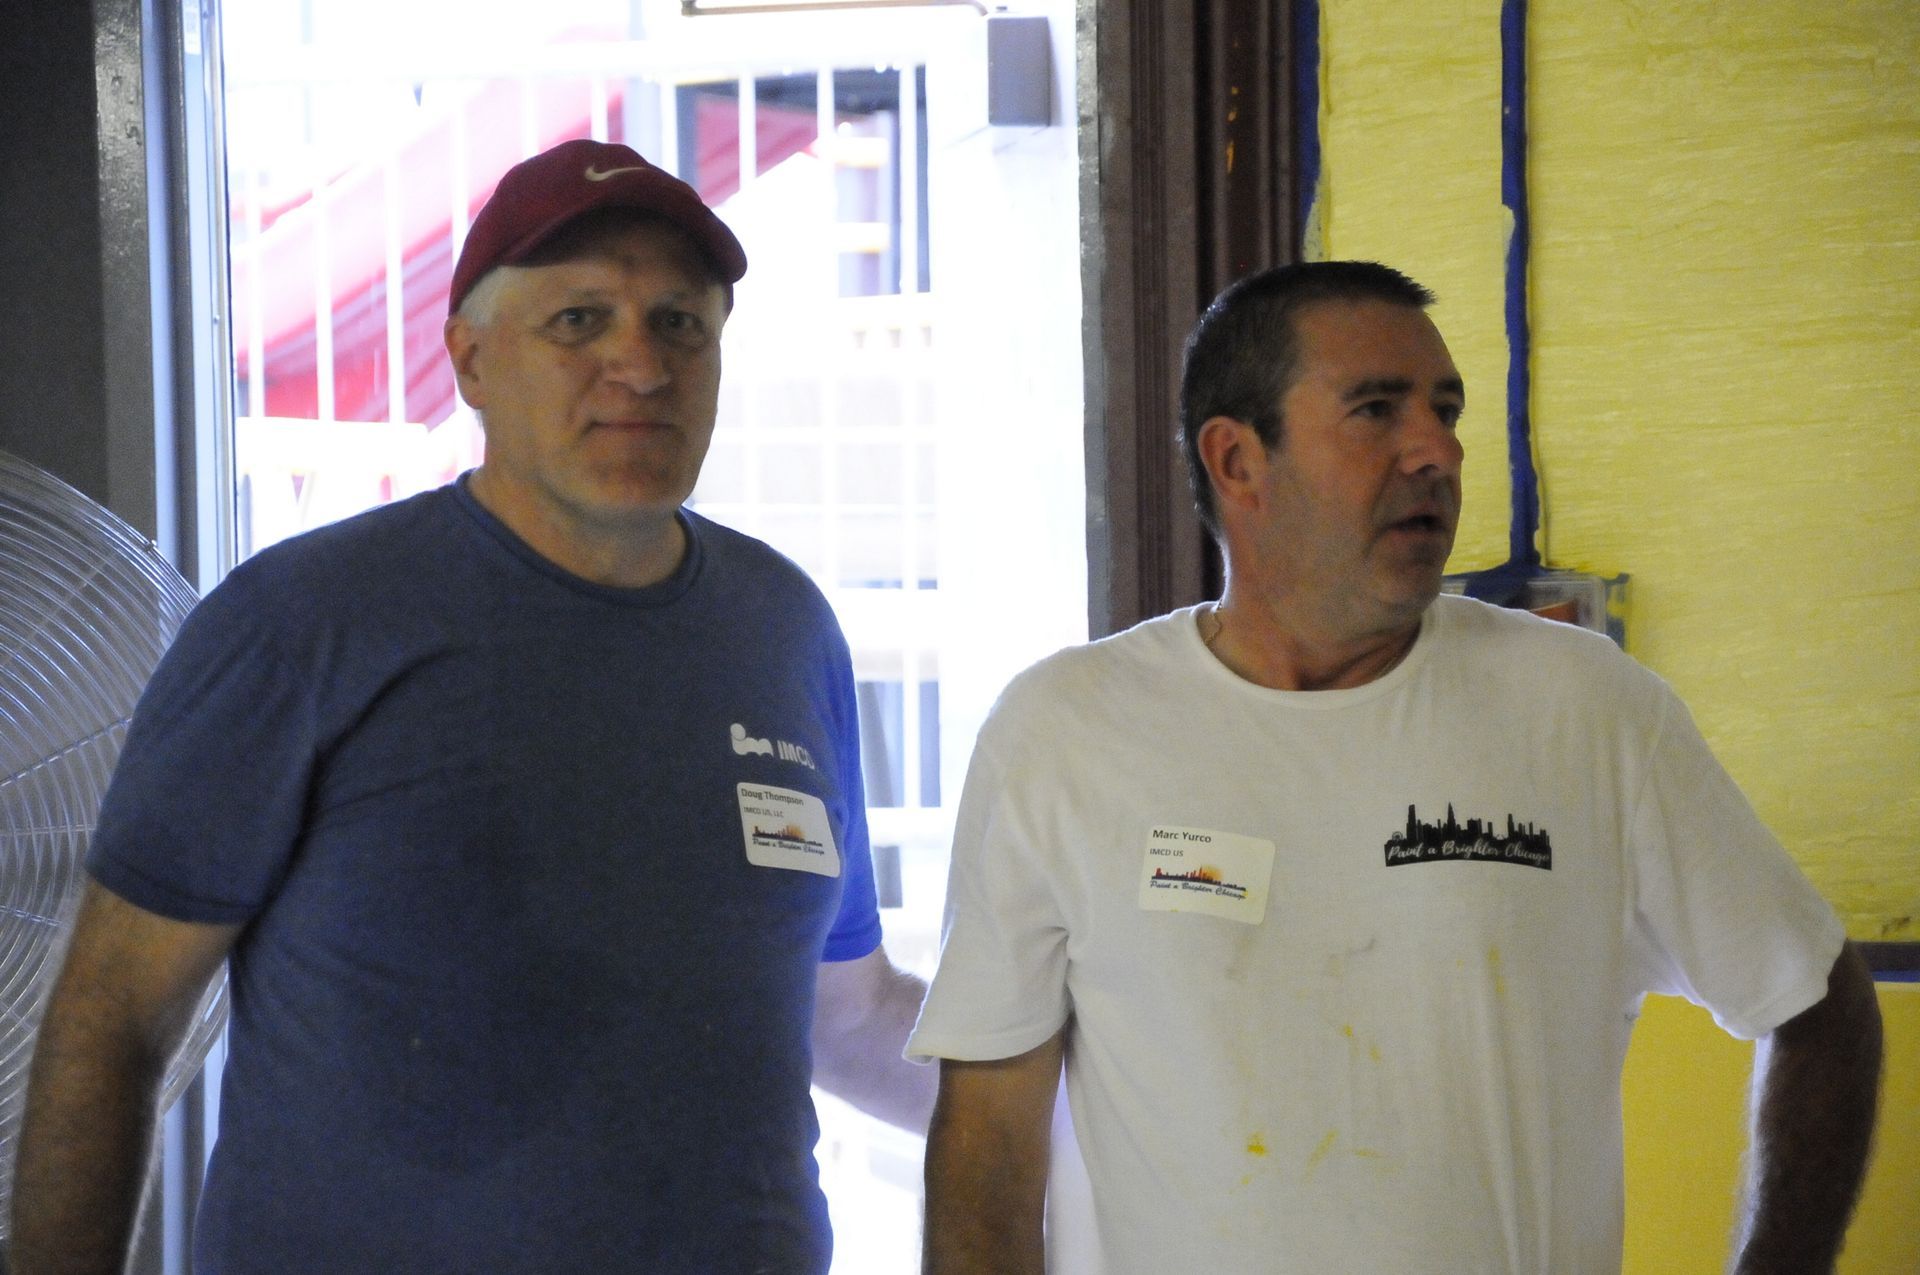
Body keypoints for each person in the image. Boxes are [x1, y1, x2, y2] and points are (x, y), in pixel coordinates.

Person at [11, 137, 934, 1274]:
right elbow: (112, 1023)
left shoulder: (785, 628)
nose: (640, 366)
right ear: (472, 361)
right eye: (580, 321)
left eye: (678, 323)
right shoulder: (303, 623)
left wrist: (1138, 1085)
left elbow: (848, 1021)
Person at [911, 262, 1883, 1274]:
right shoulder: (1062, 735)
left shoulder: (1587, 712)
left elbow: (1817, 1005)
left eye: (1447, 411)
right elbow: (987, 1143)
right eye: (1376, 410)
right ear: (1238, 460)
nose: (1437, 451)